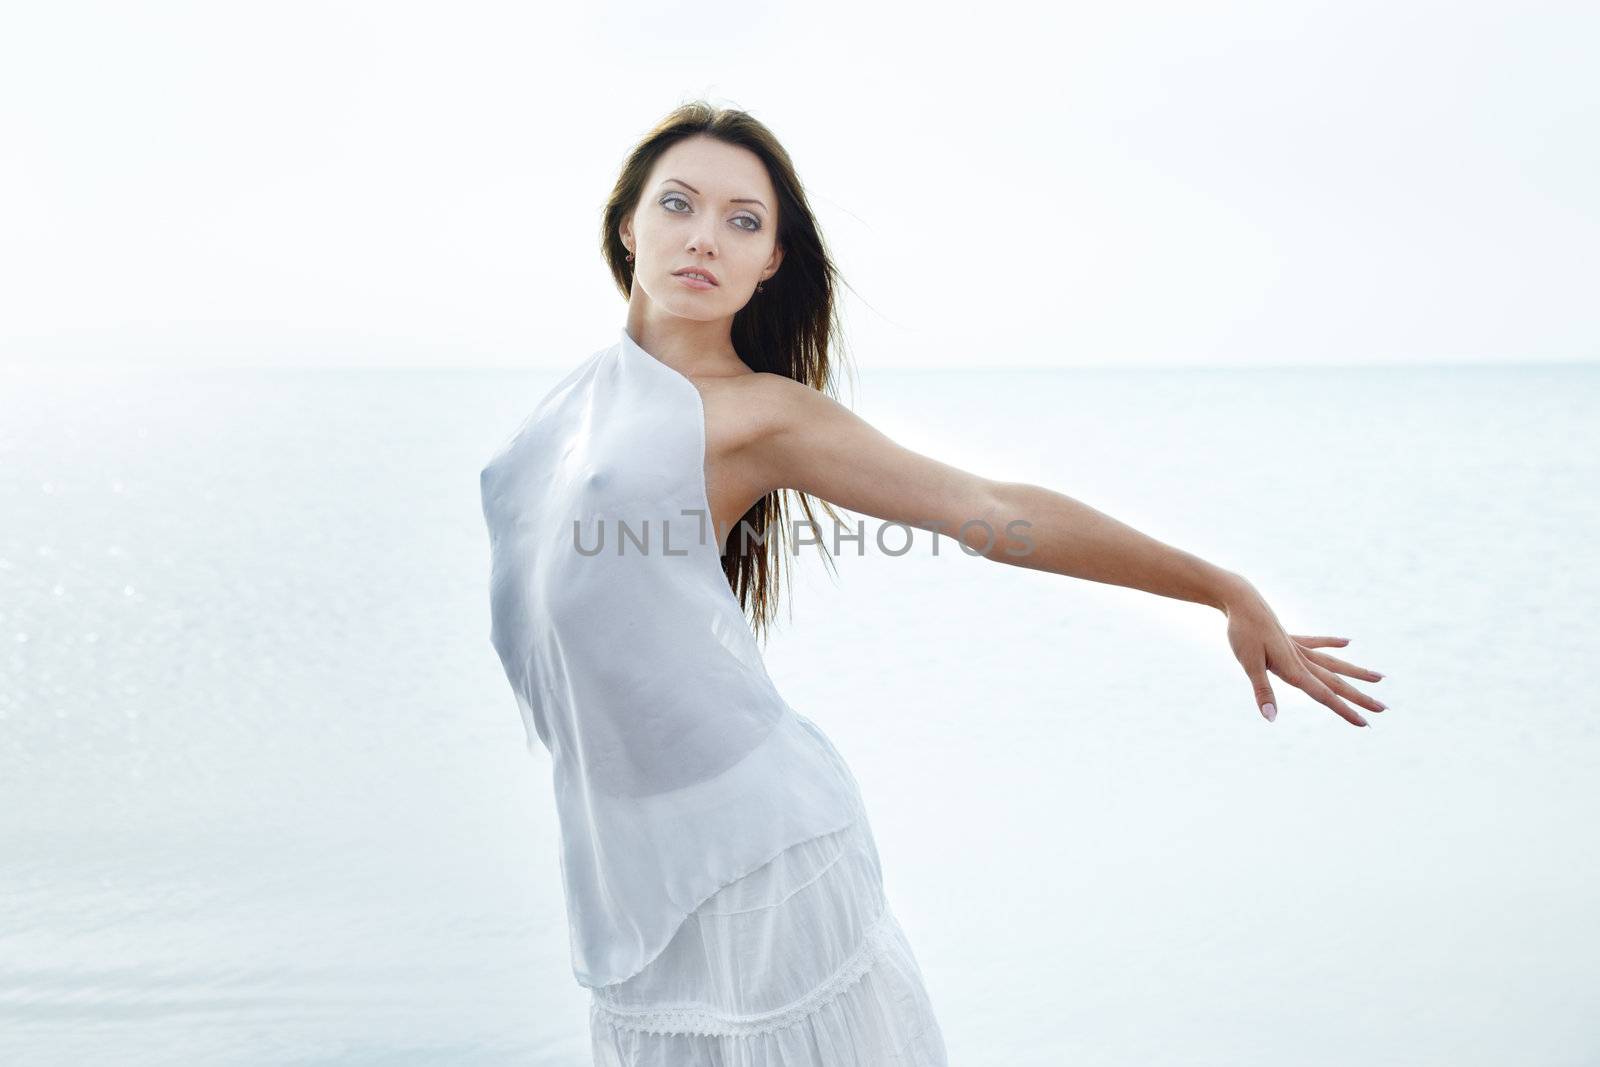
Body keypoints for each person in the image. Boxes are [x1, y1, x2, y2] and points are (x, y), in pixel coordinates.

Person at [480, 101, 1386, 1066]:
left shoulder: (757, 415)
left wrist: (1219, 586)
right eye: (679, 204)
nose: (706, 237)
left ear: (771, 262)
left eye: (745, 221)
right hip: (623, 867)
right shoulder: (574, 398)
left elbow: (988, 507)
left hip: (756, 861)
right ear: (629, 223)